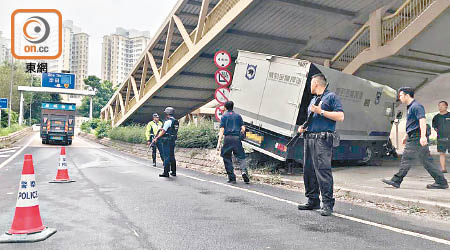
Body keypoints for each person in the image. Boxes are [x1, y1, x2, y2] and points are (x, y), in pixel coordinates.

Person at [297, 73, 344, 217]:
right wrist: (303, 127)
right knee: (309, 171)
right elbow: (313, 119)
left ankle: (328, 204)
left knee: (323, 171)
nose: (310, 86)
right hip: (309, 138)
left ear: (316, 83)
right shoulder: (313, 100)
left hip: (322, 141)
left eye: (311, 83)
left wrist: (321, 111)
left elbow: (340, 116)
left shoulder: (331, 97)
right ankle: (313, 200)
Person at [382, 87, 448, 189]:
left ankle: (396, 180)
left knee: (407, 158)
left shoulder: (416, 106)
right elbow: (413, 123)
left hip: (416, 137)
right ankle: (441, 181)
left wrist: (422, 136)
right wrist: (406, 135)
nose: (399, 97)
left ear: (407, 95)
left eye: (401, 95)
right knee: (426, 161)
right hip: (414, 135)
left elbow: (422, 120)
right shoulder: (411, 107)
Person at [216, 101, 250, 184]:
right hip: (236, 139)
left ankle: (232, 178)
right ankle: (244, 171)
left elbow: (222, 130)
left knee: (226, 157)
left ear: (225, 107)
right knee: (241, 157)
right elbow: (243, 128)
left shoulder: (224, 116)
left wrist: (219, 143)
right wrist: (240, 134)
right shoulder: (238, 116)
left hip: (228, 139)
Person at [152, 107, 179, 177]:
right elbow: (171, 130)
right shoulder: (175, 121)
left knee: (166, 156)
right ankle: (173, 171)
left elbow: (163, 131)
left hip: (166, 141)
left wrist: (157, 138)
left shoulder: (168, 121)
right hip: (173, 140)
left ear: (167, 113)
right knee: (172, 156)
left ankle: (166, 172)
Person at [432, 101, 450, 173]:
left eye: (442, 105)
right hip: (441, 138)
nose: (440, 107)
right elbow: (435, 127)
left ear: (446, 106)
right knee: (442, 153)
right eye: (439, 106)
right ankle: (443, 169)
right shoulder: (436, 117)